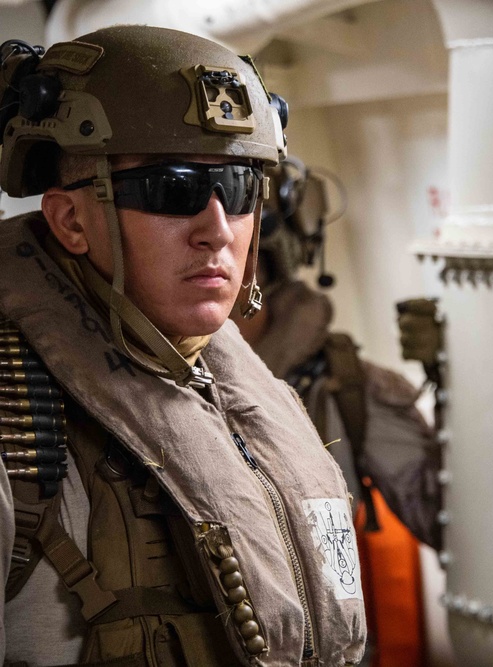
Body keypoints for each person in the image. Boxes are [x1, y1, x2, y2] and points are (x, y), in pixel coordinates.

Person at [0, 26, 364, 665]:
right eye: (173, 190)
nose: (218, 230)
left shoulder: (243, 393)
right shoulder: (17, 434)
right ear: (71, 220)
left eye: (242, 189)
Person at [235, 157, 441, 667]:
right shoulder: (136, 387)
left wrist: (454, 382)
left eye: (240, 264)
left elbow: (447, 520)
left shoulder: (346, 389)